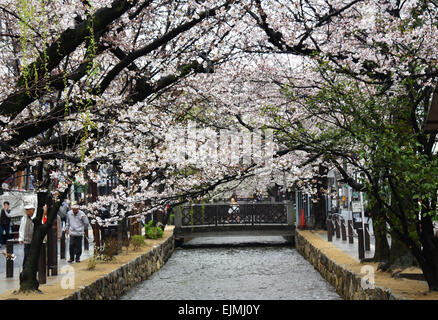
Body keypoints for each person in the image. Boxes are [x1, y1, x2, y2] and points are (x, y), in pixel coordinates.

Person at [19, 204, 35, 268]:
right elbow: (21, 228)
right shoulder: (24, 218)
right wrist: (21, 238)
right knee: (26, 254)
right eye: (26, 210)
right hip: (26, 241)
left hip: (33, 241)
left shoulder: (34, 218)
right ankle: (25, 267)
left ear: (32, 210)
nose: (27, 211)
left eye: (28, 210)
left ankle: (33, 267)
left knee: (33, 255)